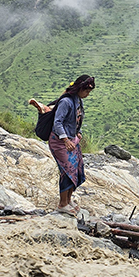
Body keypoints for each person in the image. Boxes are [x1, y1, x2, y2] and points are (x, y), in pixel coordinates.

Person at [48, 75, 94, 214]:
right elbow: (57, 123)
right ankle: (62, 204)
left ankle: (68, 200)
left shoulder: (77, 100)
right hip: (60, 142)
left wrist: (77, 132)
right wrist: (66, 140)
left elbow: (76, 119)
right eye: (86, 91)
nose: (87, 94)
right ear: (79, 89)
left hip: (71, 140)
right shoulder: (66, 102)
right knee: (67, 172)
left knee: (75, 170)